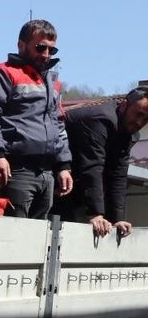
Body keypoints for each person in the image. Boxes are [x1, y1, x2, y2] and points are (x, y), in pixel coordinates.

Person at [0, 19, 74, 218]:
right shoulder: (3, 74)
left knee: (39, 235)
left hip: (46, 173)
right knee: (13, 232)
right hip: (15, 171)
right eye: (40, 47)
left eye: (51, 50)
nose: (46, 54)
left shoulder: (52, 82)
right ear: (21, 45)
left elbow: (58, 124)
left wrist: (63, 166)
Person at [58, 87, 148, 237]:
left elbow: (118, 174)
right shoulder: (100, 120)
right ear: (124, 105)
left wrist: (117, 219)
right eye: (138, 114)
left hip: (76, 184)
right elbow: (93, 166)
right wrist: (96, 214)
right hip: (53, 172)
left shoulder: (130, 133)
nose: (140, 122)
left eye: (146, 119)